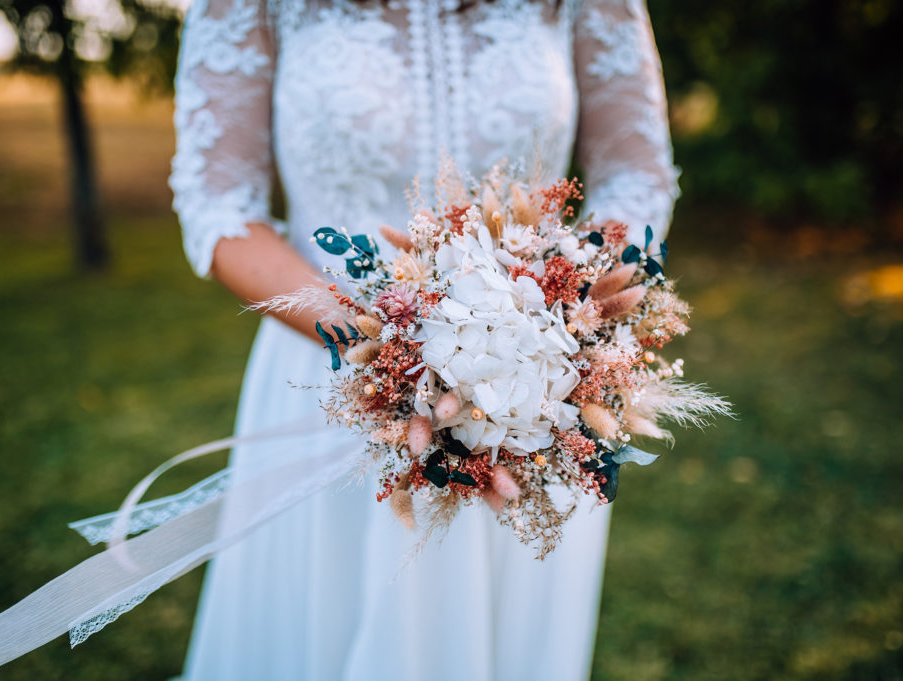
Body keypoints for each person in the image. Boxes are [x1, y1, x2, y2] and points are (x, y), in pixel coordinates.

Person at [168, 0, 679, 678]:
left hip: (536, 409)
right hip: (333, 387)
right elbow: (219, 206)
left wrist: (555, 319)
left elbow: (636, 178)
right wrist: (392, 347)